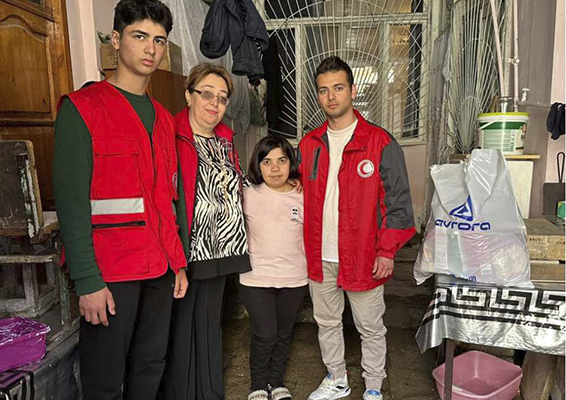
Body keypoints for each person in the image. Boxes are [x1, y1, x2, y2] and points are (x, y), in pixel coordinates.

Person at [52, 1, 188, 399]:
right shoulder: (82, 109)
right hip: (110, 273)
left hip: (160, 268)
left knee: (151, 366)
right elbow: (72, 205)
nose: (150, 49)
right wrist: (87, 281)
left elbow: (167, 198)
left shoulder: (163, 118)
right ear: (116, 39)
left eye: (159, 40)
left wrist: (178, 262)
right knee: (104, 377)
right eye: (139, 36)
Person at [297, 56, 416, 400]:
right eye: (323, 90)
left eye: (338, 88)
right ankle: (337, 378)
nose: (331, 96)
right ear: (317, 96)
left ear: (352, 90)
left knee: (370, 326)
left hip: (363, 254)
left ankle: (374, 386)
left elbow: (398, 202)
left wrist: (387, 251)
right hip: (320, 254)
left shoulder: (379, 142)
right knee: (327, 322)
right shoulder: (309, 145)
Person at [163, 62, 252, 400]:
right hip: (189, 249)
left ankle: (210, 393)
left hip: (223, 248)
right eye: (207, 94)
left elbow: (234, 187)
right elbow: (166, 197)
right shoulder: (172, 136)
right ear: (189, 95)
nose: (215, 103)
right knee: (183, 330)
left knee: (211, 326)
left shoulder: (225, 139)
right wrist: (175, 255)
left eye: (222, 97)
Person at [239, 135, 308, 400]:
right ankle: (257, 385)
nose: (275, 168)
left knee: (284, 333)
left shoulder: (303, 195)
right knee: (265, 334)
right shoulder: (246, 193)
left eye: (282, 160)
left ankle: (276, 383)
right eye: (267, 162)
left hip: (294, 277)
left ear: (291, 163)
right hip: (256, 278)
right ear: (258, 165)